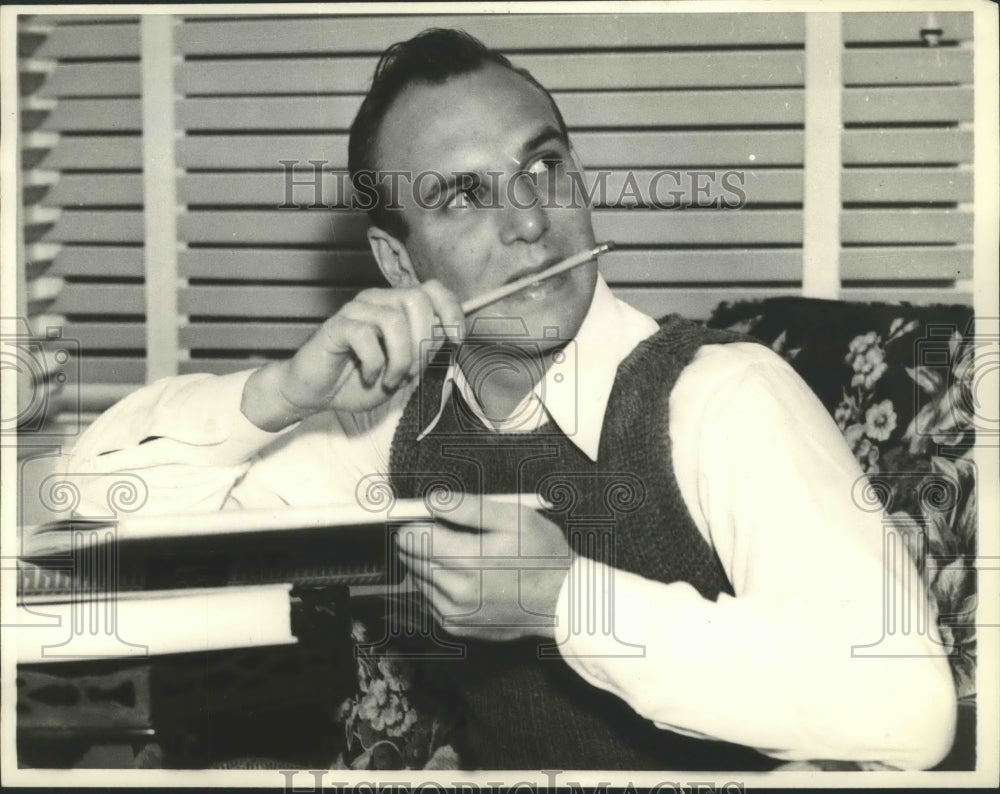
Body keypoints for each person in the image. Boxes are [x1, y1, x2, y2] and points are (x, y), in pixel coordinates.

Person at [61, 29, 957, 771]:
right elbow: (84, 513)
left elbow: (910, 708)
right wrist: (277, 393)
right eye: (463, 195)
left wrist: (563, 602)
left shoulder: (724, 396)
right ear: (402, 265)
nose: (530, 219)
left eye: (545, 166)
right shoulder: (395, 429)